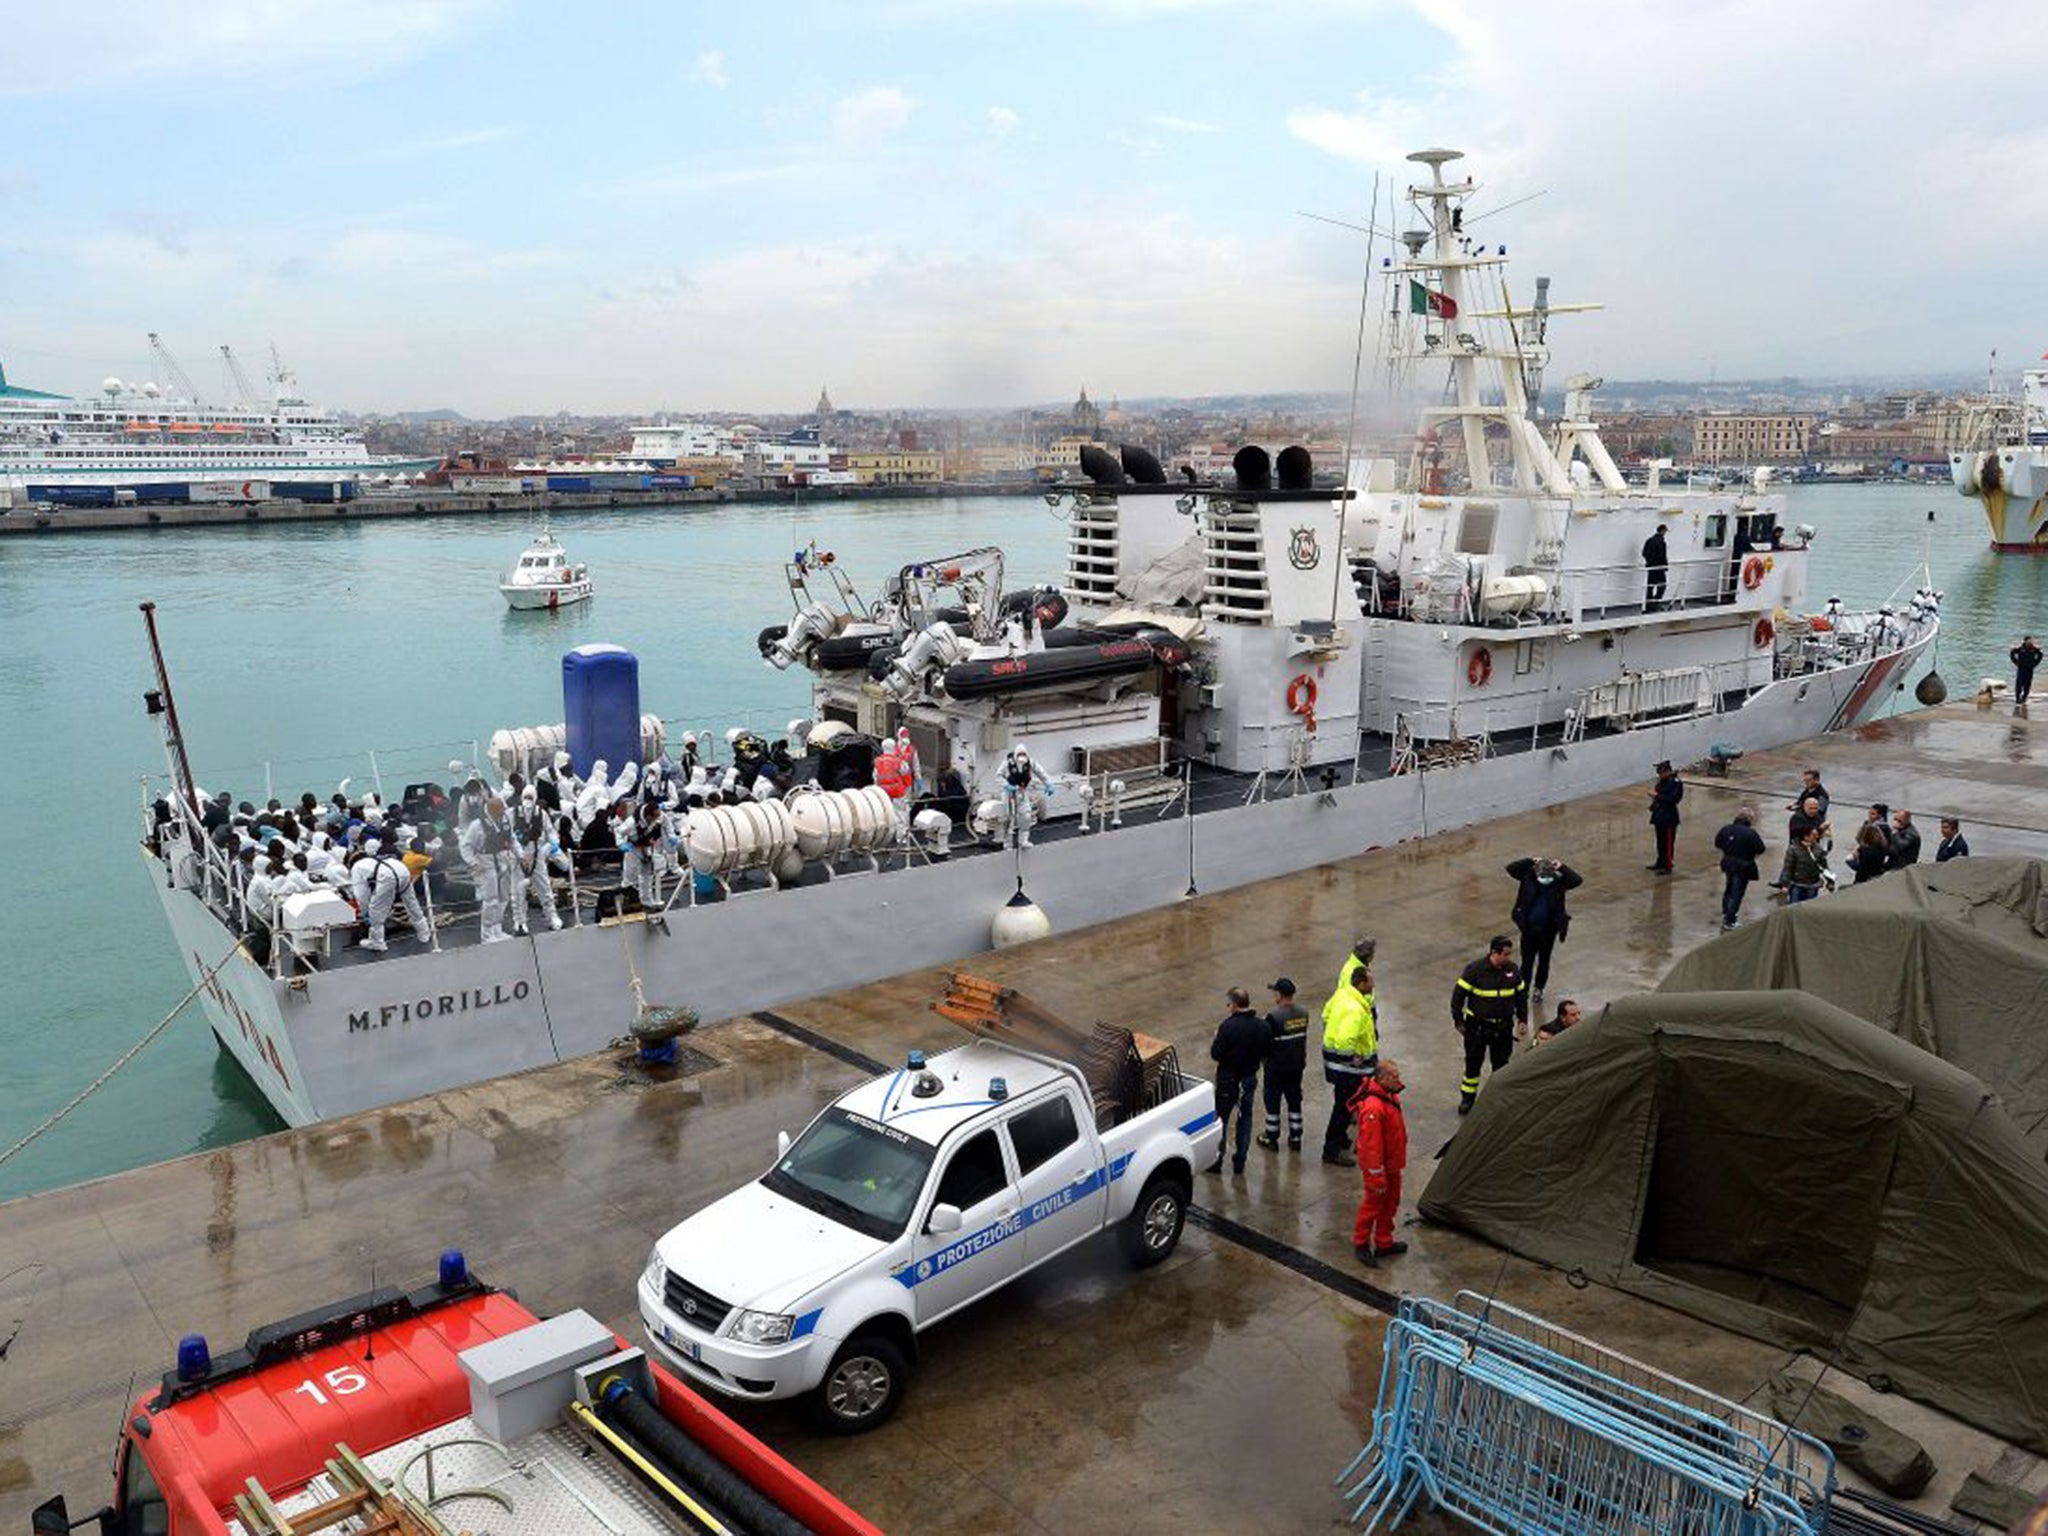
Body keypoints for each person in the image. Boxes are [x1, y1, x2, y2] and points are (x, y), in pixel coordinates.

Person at [1452, 936, 1527, 1115]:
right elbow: (1457, 998)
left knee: (1501, 1065)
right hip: (1478, 1027)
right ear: (1494, 952)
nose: (1509, 958)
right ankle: (1468, 1099)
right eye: (1506, 954)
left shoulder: (1513, 970)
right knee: (1473, 1063)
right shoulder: (1474, 970)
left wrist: (1522, 1019)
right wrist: (1459, 1021)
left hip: (1503, 1028)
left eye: (1510, 954)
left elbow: (1521, 997)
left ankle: (1497, 1098)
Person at [1351, 1057, 1408, 1268]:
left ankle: (1384, 1242)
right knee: (1372, 1205)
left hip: (1392, 1163)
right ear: (1382, 1078)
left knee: (1391, 1202)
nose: (1398, 1080)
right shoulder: (1374, 1108)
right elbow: (1371, 1147)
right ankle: (1361, 1242)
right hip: (1380, 1167)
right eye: (1394, 1077)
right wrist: (1376, 1175)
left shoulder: (1389, 1095)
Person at [1319, 963, 1378, 1166]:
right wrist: (1352, 1059)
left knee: (1342, 1103)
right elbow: (1345, 1041)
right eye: (1371, 981)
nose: (1374, 984)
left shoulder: (1343, 995)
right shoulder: (1355, 1009)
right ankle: (1331, 1150)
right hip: (1348, 1070)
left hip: (1336, 1066)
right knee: (1344, 1108)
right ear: (1361, 983)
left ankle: (1340, 1138)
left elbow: (1326, 1014)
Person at [1207, 988, 1268, 1176]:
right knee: (1245, 1118)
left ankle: (1217, 1160)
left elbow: (1216, 1054)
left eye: (1228, 1004)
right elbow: (1267, 1051)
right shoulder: (1262, 1026)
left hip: (1228, 1080)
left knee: (1221, 1120)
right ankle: (1240, 1160)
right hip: (1249, 1078)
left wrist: (1217, 1038)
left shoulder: (1227, 1027)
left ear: (1233, 1005)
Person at [1504, 856, 1581, 1003]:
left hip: (1548, 930)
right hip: (1529, 929)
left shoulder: (1559, 882)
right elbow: (1511, 868)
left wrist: (1562, 866)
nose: (1546, 880)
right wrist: (1530, 860)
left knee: (1544, 961)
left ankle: (1539, 988)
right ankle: (1523, 991)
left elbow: (1577, 881)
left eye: (1548, 877)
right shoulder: (1527, 877)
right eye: (1543, 876)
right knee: (1527, 963)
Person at [1256, 978, 1309, 1152]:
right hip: (1296, 1066)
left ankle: (1271, 1137)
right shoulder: (1303, 1013)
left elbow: (1264, 1042)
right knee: (1294, 1099)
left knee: (1272, 1101)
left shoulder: (1273, 1016)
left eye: (1274, 992)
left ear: (1279, 994)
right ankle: (1296, 1137)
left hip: (1276, 1067)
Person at [351, 840, 431, 952]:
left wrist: (365, 913)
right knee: (411, 902)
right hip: (401, 869)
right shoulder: (371, 861)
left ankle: (377, 942)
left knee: (376, 910)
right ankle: (424, 932)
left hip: (387, 876)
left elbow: (361, 895)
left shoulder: (356, 868)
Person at [459, 795, 519, 943]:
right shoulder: (477, 825)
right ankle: (487, 933)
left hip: (503, 859)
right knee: (490, 898)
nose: (503, 811)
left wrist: (521, 855)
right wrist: (473, 862)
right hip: (486, 862)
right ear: (492, 809)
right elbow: (465, 845)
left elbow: (512, 839)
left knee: (504, 896)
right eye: (501, 809)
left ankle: (497, 929)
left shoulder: (505, 820)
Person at [1714, 806, 1766, 929]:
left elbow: (1717, 843)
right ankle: (1730, 920)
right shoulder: (1751, 833)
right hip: (1744, 865)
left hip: (1728, 862)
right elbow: (1760, 848)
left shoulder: (1726, 829)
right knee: (1737, 892)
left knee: (1729, 888)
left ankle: (1726, 912)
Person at [1648, 760, 1683, 873]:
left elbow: (1674, 799)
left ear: (1668, 771)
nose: (1660, 775)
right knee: (1660, 842)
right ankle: (1660, 862)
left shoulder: (1675, 783)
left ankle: (1668, 865)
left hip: (1668, 817)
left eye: (1662, 773)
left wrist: (1657, 796)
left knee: (1668, 843)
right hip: (1659, 815)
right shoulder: (1662, 782)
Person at [1785, 824, 1828, 903]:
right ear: (1806, 836)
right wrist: (1784, 885)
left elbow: (1824, 867)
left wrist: (1830, 881)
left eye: (1817, 835)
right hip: (1797, 884)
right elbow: (1788, 868)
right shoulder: (1793, 849)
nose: (1816, 837)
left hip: (1813, 884)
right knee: (1794, 907)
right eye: (1814, 835)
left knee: (1809, 908)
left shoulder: (1819, 849)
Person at [1849, 820, 1890, 884]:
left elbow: (1862, 870)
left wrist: (1853, 860)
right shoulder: (1882, 847)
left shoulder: (1865, 851)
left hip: (1863, 880)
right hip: (1876, 875)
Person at [1642, 523, 1670, 610]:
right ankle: (1656, 601)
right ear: (1662, 531)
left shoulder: (1649, 540)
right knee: (1662, 585)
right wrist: (1665, 566)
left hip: (1650, 567)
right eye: (1665, 531)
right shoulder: (1661, 542)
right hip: (1659, 567)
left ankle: (1649, 603)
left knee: (1650, 586)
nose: (1665, 533)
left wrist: (1649, 562)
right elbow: (1662, 555)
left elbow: (1644, 553)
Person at [2012, 635, 2042, 704]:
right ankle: (2017, 698)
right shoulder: (2020, 649)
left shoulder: (2034, 649)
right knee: (2019, 684)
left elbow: (2040, 655)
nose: (2029, 642)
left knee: (2027, 684)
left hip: (2030, 669)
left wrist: (2035, 663)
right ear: (2025, 641)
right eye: (2028, 641)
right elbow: (2012, 654)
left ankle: (2024, 697)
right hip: (2021, 669)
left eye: (2030, 641)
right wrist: (2016, 662)